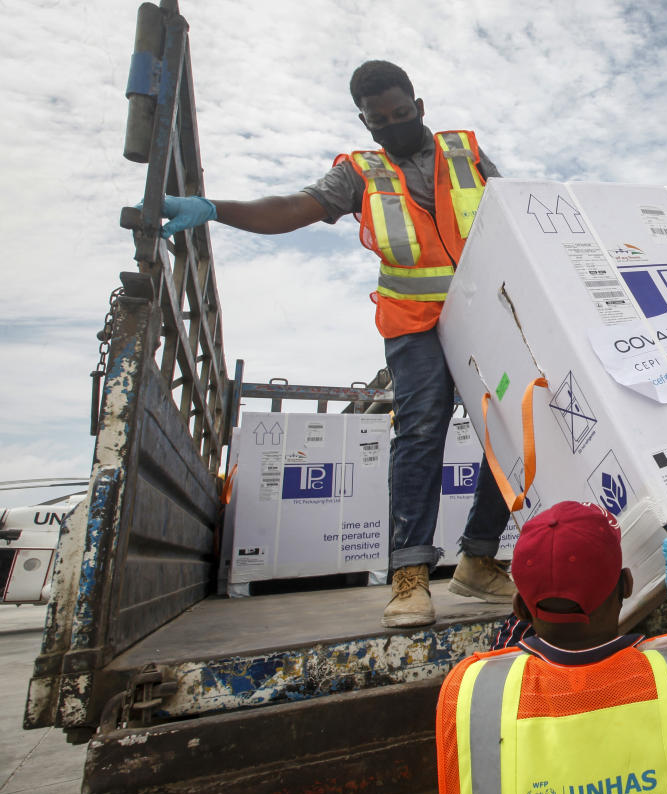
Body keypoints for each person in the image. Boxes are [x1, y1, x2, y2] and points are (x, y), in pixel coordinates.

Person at [149, 60, 514, 627]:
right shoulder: (359, 173)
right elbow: (294, 209)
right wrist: (215, 210)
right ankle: (410, 577)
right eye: (380, 119)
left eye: (401, 113)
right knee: (421, 431)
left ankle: (479, 558)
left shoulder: (464, 151)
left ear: (419, 105)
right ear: (365, 123)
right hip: (415, 324)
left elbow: (509, 212)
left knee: (509, 427)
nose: (393, 124)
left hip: (483, 315)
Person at [435, 501, 667, 794]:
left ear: (520, 609)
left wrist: (540, 585)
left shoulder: (476, 695)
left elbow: (504, 663)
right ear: (627, 585)